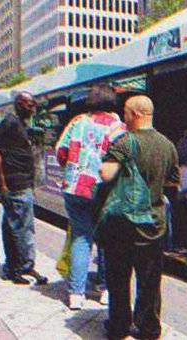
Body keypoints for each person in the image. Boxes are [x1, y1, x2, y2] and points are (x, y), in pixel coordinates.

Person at [99, 95, 179, 340]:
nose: (124, 117)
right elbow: (173, 183)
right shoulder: (168, 145)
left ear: (134, 114)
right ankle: (149, 329)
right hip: (153, 225)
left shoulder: (124, 142)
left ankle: (119, 326)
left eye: (125, 112)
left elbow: (105, 174)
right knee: (149, 281)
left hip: (123, 226)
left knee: (119, 278)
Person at [55, 83, 126, 310]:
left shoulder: (77, 122)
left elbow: (60, 151)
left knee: (81, 237)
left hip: (75, 189)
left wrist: (73, 168)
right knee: (106, 239)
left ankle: (76, 294)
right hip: (103, 189)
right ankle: (105, 289)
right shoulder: (118, 127)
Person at [0, 91, 48, 286]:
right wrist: (2, 183)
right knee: (21, 229)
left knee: (17, 227)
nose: (34, 108)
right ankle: (20, 267)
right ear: (20, 104)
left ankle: (19, 265)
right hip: (16, 185)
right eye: (31, 104)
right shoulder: (10, 123)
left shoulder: (20, 124)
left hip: (21, 184)